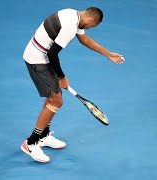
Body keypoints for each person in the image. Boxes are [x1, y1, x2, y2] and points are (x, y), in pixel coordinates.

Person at [21, 7, 125, 163]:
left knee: (53, 97)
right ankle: (30, 143)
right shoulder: (70, 26)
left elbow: (85, 40)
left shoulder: (72, 14)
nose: (90, 28)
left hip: (43, 56)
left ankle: (43, 135)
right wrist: (62, 77)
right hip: (37, 59)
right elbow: (52, 53)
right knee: (56, 101)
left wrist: (108, 54)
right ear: (89, 20)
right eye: (92, 26)